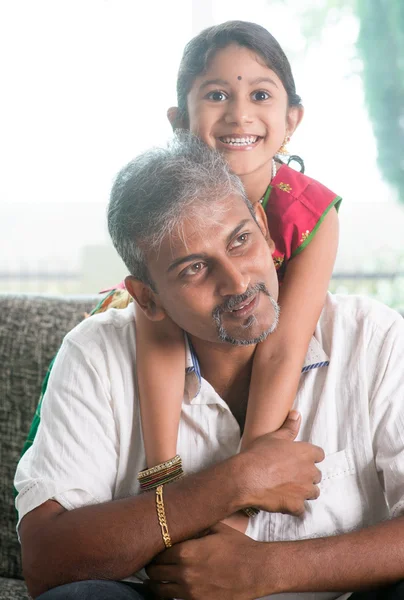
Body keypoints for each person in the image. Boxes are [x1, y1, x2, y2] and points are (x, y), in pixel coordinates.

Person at [15, 135, 404, 600]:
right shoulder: (97, 353)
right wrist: (235, 483)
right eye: (194, 268)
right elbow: (46, 561)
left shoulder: (372, 336)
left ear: (262, 225)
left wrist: (266, 570)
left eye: (240, 241)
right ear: (148, 298)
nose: (237, 282)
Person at [20, 23, 341, 525]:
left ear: (292, 118)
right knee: (164, 327)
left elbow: (283, 346)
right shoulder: (162, 213)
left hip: (262, 340)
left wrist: (245, 489)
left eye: (260, 94)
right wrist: (167, 496)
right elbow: (160, 340)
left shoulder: (307, 209)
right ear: (179, 120)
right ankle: (161, 478)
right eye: (217, 95)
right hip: (168, 317)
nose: (239, 114)